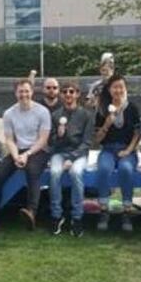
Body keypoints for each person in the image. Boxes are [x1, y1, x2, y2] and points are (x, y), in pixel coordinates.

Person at [0, 79, 51, 236]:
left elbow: (43, 139)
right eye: (20, 91)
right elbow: (9, 139)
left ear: (32, 92)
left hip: (38, 150)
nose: (24, 94)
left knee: (32, 171)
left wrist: (26, 154)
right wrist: (16, 156)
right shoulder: (9, 113)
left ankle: (31, 211)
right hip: (16, 150)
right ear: (15, 93)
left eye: (26, 91)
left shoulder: (42, 112)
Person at [94, 74, 141, 232]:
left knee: (126, 169)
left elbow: (137, 133)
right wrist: (106, 124)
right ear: (109, 89)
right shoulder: (102, 109)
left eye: (121, 86)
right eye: (115, 87)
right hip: (108, 149)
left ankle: (127, 210)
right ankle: (104, 209)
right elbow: (97, 139)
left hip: (127, 149)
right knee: (104, 169)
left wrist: (129, 150)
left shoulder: (132, 108)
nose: (118, 90)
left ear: (125, 89)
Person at [48, 82, 95, 237]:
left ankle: (77, 217)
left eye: (71, 91)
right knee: (54, 173)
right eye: (65, 91)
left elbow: (87, 142)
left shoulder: (86, 115)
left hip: (79, 154)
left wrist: (73, 158)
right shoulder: (55, 115)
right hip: (60, 153)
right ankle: (56, 215)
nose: (68, 94)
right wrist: (59, 135)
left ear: (77, 94)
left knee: (76, 173)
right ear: (61, 95)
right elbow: (52, 143)